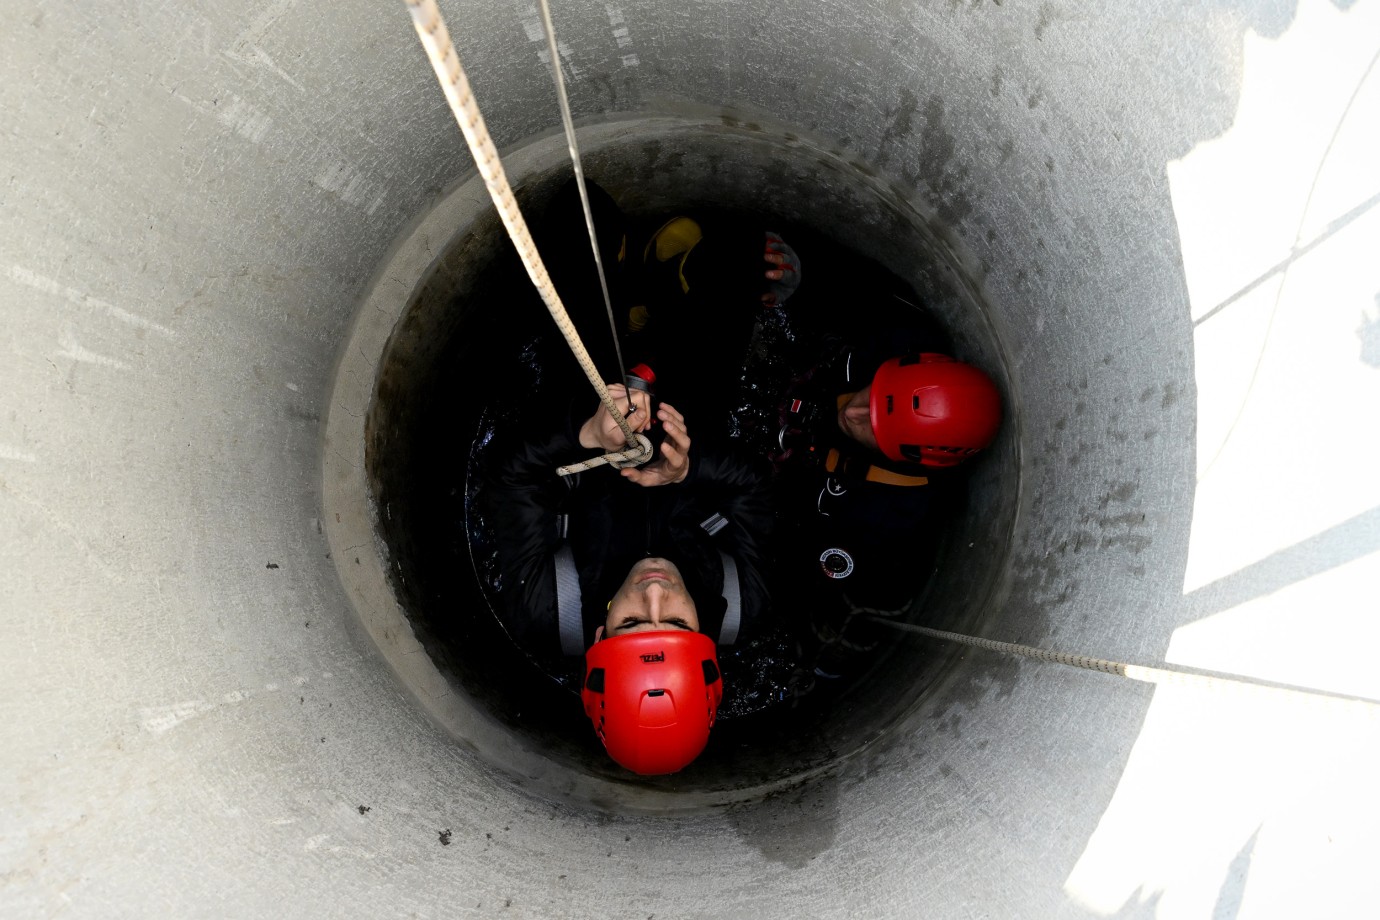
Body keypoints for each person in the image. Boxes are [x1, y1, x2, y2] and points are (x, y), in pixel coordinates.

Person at [479, 377, 773, 774]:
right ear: (704, 635)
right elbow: (758, 487)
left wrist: (586, 433)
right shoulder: (743, 603)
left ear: (600, 635)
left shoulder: (548, 607)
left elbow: (509, 478)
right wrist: (688, 469)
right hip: (693, 413)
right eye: (676, 622)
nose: (654, 591)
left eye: (631, 621)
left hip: (586, 400)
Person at [769, 299, 1002, 683]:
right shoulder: (902, 341)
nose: (855, 414)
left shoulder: (887, 519)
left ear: (909, 458)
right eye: (875, 395)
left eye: (875, 428)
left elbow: (801, 559)